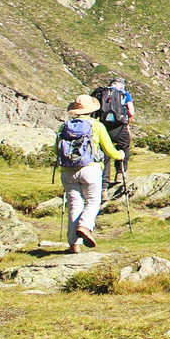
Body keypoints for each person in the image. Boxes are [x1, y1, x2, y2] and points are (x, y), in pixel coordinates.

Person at [57, 94, 122, 253]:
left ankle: (74, 244)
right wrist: (120, 155)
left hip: (68, 171)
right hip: (91, 169)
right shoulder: (96, 126)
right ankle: (85, 227)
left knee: (75, 205)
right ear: (91, 110)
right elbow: (109, 149)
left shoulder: (64, 126)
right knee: (93, 201)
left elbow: (56, 149)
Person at [95, 74, 134, 192]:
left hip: (103, 126)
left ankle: (104, 186)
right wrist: (127, 123)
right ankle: (120, 172)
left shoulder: (101, 93)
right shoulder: (124, 94)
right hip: (119, 127)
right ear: (121, 85)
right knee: (124, 145)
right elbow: (131, 111)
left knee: (105, 153)